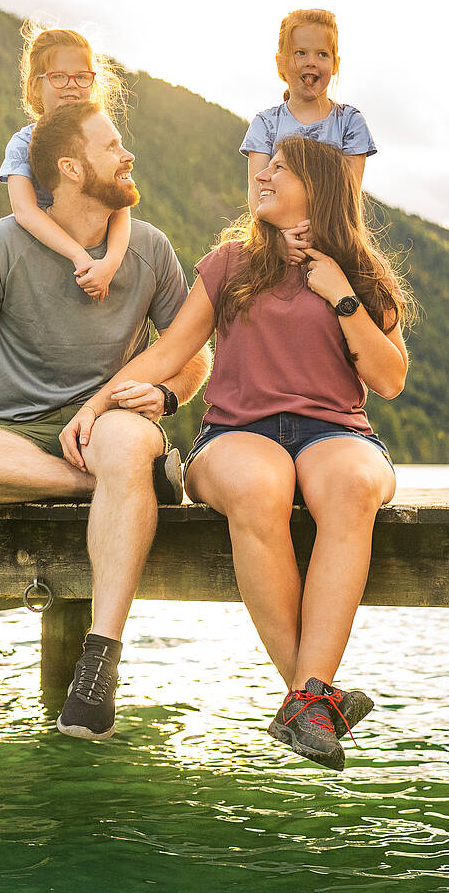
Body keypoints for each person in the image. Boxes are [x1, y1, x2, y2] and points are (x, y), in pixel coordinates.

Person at [62, 136, 412, 770]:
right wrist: (94, 407)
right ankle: (312, 701)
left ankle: (305, 703)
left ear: (319, 188)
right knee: (259, 485)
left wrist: (339, 292)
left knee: (353, 488)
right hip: (235, 433)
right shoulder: (230, 263)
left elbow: (388, 380)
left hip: (336, 431)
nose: (264, 174)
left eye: (280, 168)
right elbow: (168, 354)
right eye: (265, 164)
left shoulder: (358, 269)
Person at [0, 99, 211, 741]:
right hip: (18, 435)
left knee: (121, 441)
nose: (127, 154)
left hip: (111, 420)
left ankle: (99, 661)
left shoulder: (150, 247)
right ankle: (125, 485)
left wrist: (165, 398)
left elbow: (191, 357)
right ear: (71, 169)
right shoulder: (1, 245)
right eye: (111, 146)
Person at [1, 24, 131, 301]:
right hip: (47, 255)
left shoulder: (102, 139)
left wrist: (110, 263)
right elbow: (24, 210)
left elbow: (120, 205)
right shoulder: (23, 144)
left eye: (82, 76)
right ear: (36, 85)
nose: (71, 84)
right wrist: (77, 255)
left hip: (98, 254)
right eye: (59, 76)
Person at [240, 9, 376, 200]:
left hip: (333, 230)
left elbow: (348, 198)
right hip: (276, 230)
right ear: (281, 62)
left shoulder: (350, 123)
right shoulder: (265, 125)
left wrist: (315, 228)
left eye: (322, 54)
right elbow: (258, 197)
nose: (311, 62)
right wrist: (287, 231)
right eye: (300, 53)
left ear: (335, 64)